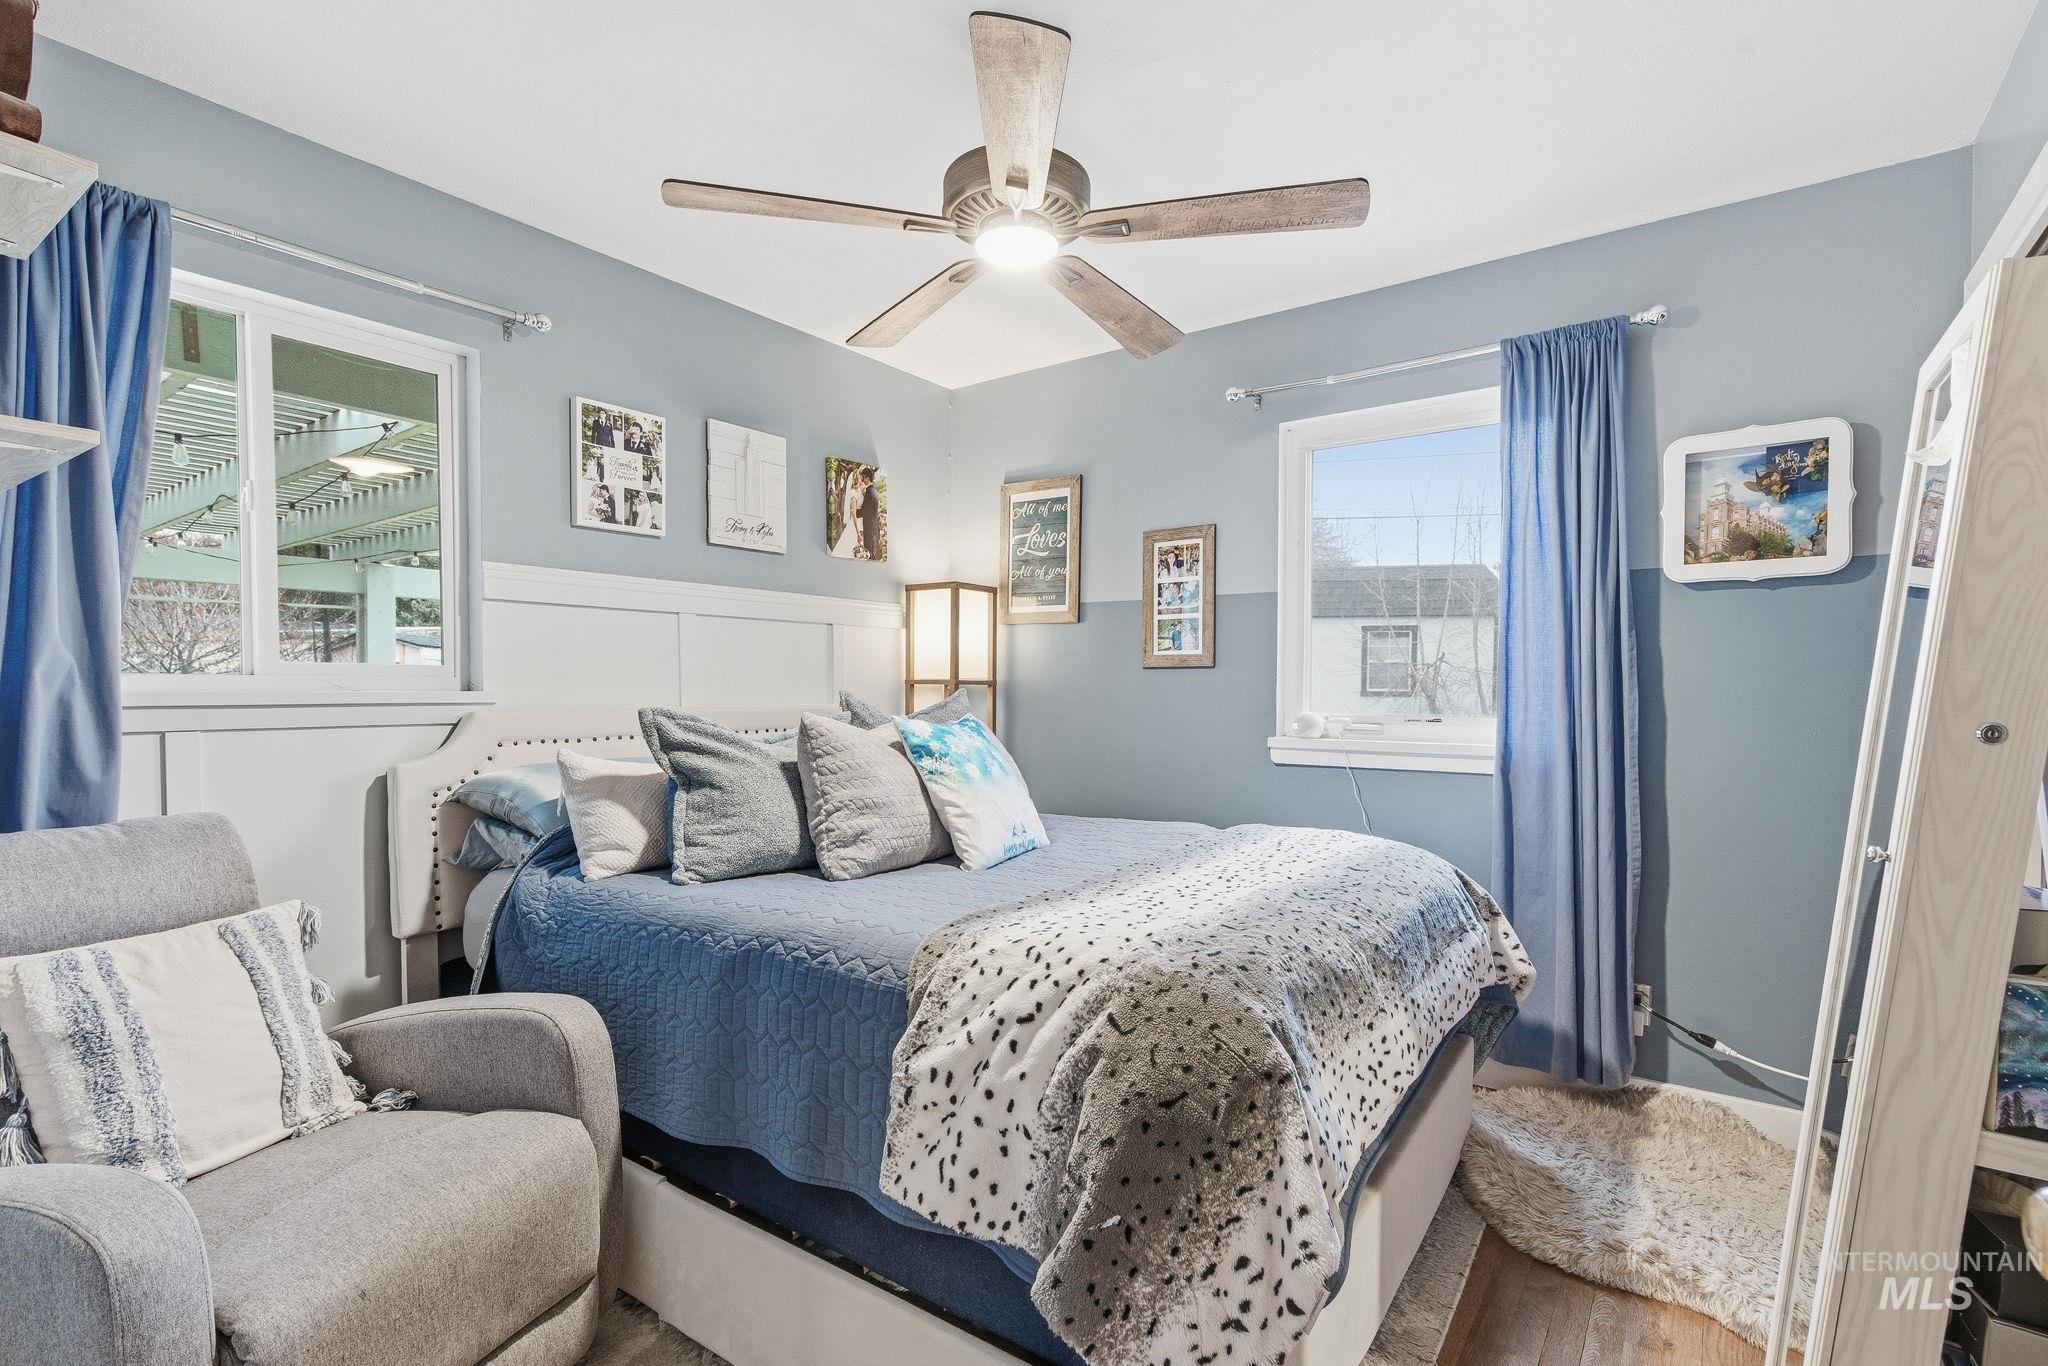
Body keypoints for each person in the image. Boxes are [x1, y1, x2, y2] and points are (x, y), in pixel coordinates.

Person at [830, 468, 860, 557]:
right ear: (857, 479)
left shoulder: (855, 492)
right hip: (854, 524)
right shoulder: (854, 494)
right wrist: (858, 532)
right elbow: (854, 514)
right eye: (860, 477)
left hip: (856, 523)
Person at [857, 467, 882, 561]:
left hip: (869, 526)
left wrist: (854, 513)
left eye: (863, 477)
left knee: (868, 553)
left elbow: (865, 509)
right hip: (873, 526)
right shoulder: (874, 490)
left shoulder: (869, 491)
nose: (862, 480)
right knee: (871, 553)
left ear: (867, 477)